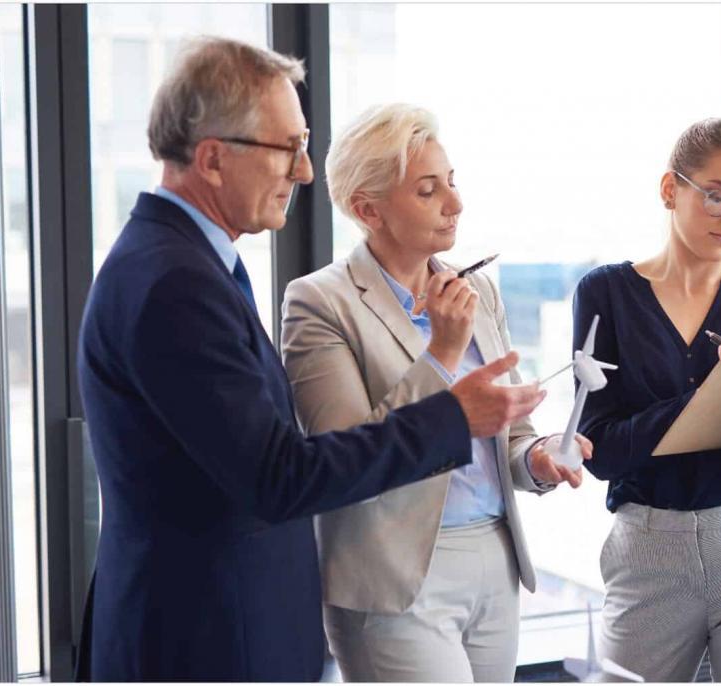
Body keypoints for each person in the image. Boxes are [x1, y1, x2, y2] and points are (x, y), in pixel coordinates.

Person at [75, 39, 544, 682]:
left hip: (229, 625)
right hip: (205, 639)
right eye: (287, 148)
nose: (301, 173)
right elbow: (281, 475)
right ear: (212, 159)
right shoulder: (173, 282)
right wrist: (452, 414)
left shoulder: (191, 264)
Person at [280, 103, 592, 682]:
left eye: (451, 182)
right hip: (395, 575)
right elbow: (346, 454)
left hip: (496, 559)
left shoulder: (477, 287)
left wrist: (538, 458)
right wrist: (442, 352)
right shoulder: (319, 303)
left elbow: (507, 433)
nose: (455, 203)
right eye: (428, 191)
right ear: (365, 209)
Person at [573, 117, 721, 682]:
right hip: (648, 551)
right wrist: (719, 396)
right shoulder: (605, 294)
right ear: (670, 190)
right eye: (717, 197)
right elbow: (601, 451)